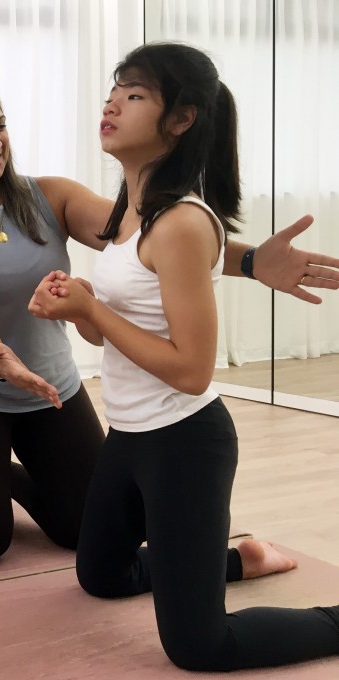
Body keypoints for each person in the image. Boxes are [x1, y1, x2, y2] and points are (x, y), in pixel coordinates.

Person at [0, 75, 339, 570]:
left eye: (0, 126)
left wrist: (253, 260)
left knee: (92, 528)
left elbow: (147, 236)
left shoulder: (50, 196)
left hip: (49, 388)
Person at [30, 42, 339, 671]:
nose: (112, 101)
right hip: (130, 434)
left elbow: (192, 370)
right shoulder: (125, 216)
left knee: (200, 647)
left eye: (136, 93)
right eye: (116, 88)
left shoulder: (181, 224)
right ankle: (237, 559)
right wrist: (82, 305)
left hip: (184, 444)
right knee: (100, 575)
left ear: (182, 119)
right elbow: (114, 336)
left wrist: (93, 312)